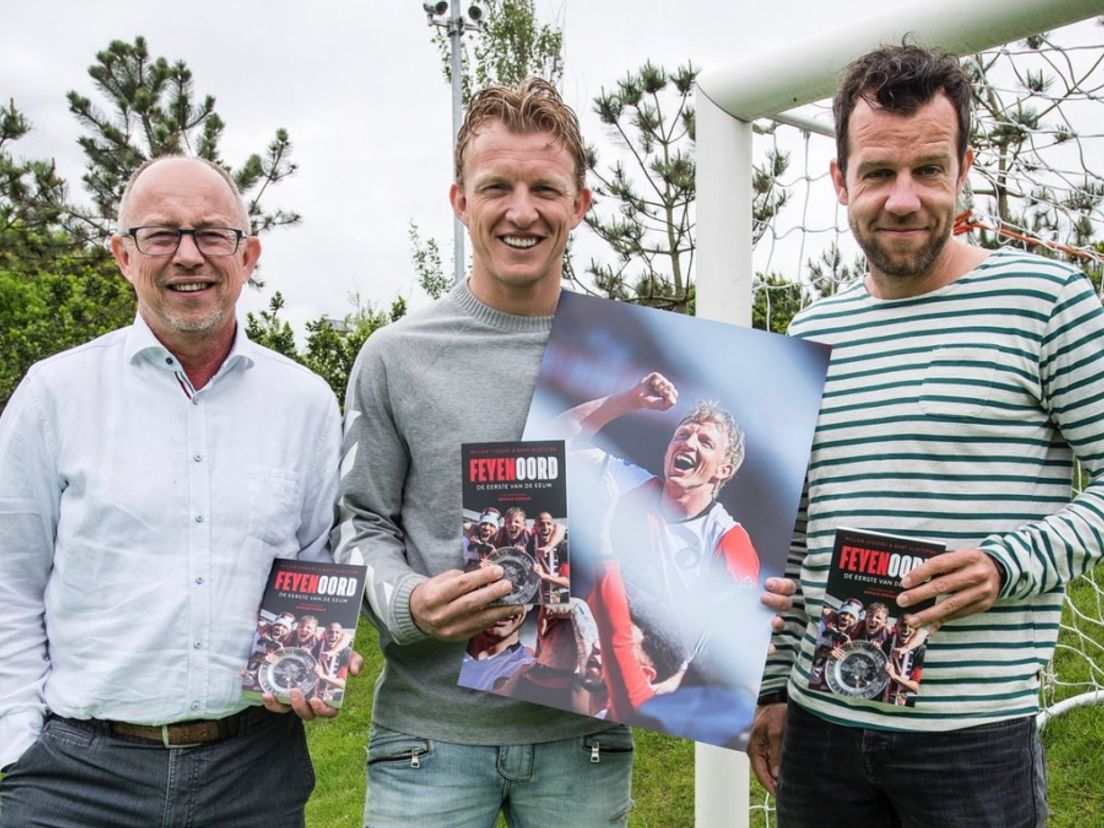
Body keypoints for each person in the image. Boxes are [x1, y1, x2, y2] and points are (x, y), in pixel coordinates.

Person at [335, 78, 793, 825]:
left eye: (545, 188)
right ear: (460, 201)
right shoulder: (396, 355)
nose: (522, 211)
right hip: (429, 740)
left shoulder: (616, 351)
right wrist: (413, 604)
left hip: (583, 741)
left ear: (579, 205)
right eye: (497, 187)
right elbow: (356, 524)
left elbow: (727, 603)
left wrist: (755, 621)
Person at [750, 44, 1104, 827]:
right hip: (822, 723)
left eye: (929, 170)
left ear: (964, 168)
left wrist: (1005, 565)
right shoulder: (812, 330)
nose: (903, 199)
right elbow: (797, 525)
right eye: (878, 173)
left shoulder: (1048, 301)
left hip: (973, 743)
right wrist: (776, 686)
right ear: (840, 180)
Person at [0, 156, 346, 827]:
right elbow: (7, 580)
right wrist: (18, 745)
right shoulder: (54, 396)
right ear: (124, 256)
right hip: (75, 779)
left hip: (254, 774)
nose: (189, 255)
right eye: (161, 235)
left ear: (248, 255)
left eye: (212, 235)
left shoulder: (304, 403)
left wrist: (317, 659)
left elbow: (319, 561)